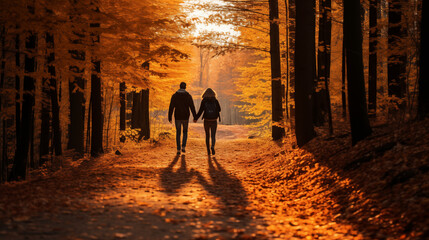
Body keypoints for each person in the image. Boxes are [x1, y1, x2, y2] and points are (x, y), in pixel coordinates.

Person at [168, 82, 197, 155]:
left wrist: (170, 117)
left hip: (177, 116)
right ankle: (183, 146)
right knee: (185, 132)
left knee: (178, 132)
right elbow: (192, 107)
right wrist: (195, 117)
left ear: (179, 87)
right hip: (185, 116)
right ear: (185, 87)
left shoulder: (174, 96)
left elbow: (171, 107)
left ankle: (178, 149)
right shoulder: (188, 96)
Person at [194, 88, 221, 155]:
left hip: (206, 120)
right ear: (213, 93)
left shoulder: (204, 101)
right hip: (214, 120)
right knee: (213, 135)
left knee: (207, 135)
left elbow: (200, 111)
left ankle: (208, 150)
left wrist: (196, 118)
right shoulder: (215, 100)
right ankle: (212, 146)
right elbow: (219, 109)